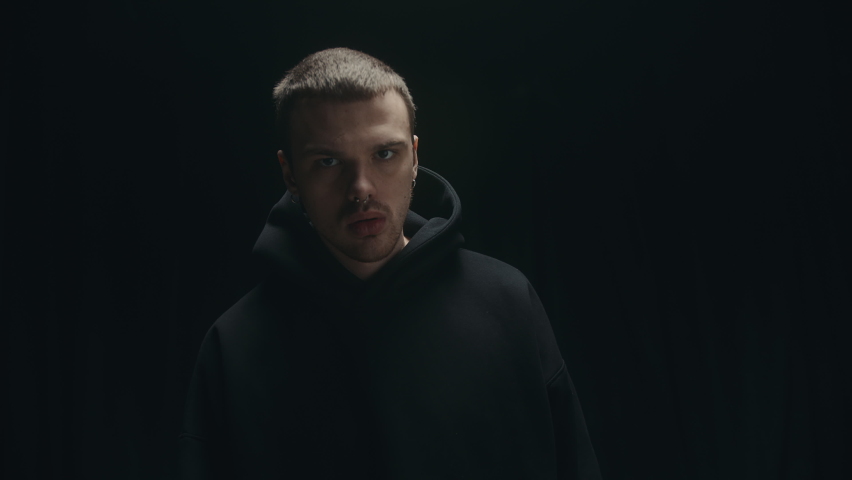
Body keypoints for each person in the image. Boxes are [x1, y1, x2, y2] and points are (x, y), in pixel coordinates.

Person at [178, 47, 601, 480]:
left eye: (384, 154)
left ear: (415, 156)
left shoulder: (507, 303)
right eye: (328, 161)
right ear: (290, 175)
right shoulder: (235, 346)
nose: (360, 188)